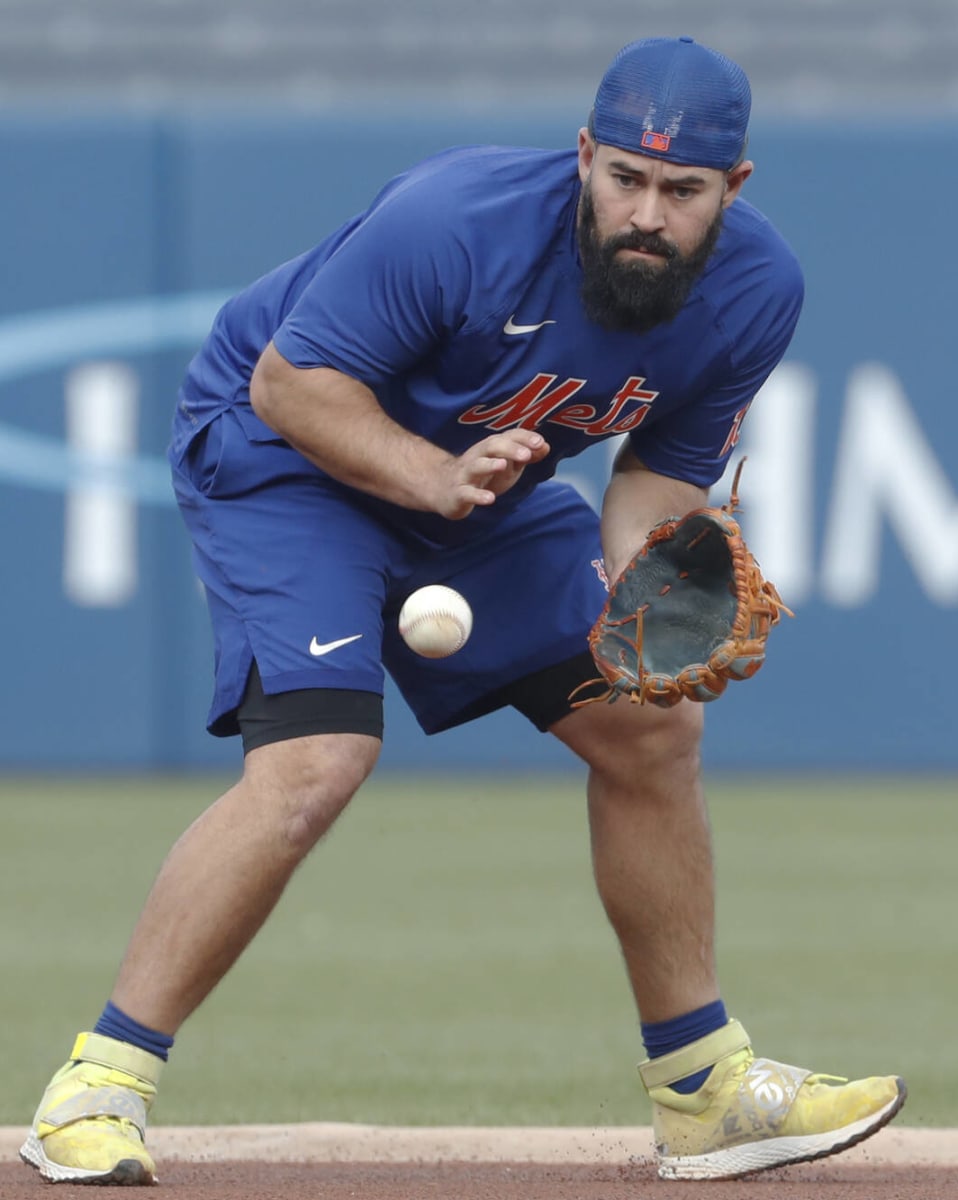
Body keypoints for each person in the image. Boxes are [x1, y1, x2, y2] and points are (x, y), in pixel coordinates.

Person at [19, 35, 905, 1187]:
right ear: (584, 154)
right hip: (284, 455)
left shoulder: (753, 291)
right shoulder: (455, 217)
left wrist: (651, 583)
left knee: (650, 729)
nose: (647, 212)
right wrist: (430, 481)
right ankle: (96, 1086)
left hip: (481, 486)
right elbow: (291, 385)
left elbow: (653, 476)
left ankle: (703, 1093)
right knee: (317, 760)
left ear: (732, 190)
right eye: (625, 177)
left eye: (681, 191)